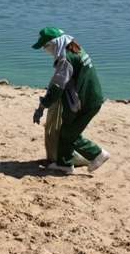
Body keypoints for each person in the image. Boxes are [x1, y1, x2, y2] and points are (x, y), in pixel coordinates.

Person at [32, 27, 110, 175]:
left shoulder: (65, 59)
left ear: (54, 43)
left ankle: (98, 154)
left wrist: (42, 106)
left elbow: (57, 87)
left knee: (69, 134)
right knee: (68, 129)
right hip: (89, 98)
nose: (45, 50)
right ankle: (64, 164)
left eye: (45, 46)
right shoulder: (77, 50)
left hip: (83, 102)